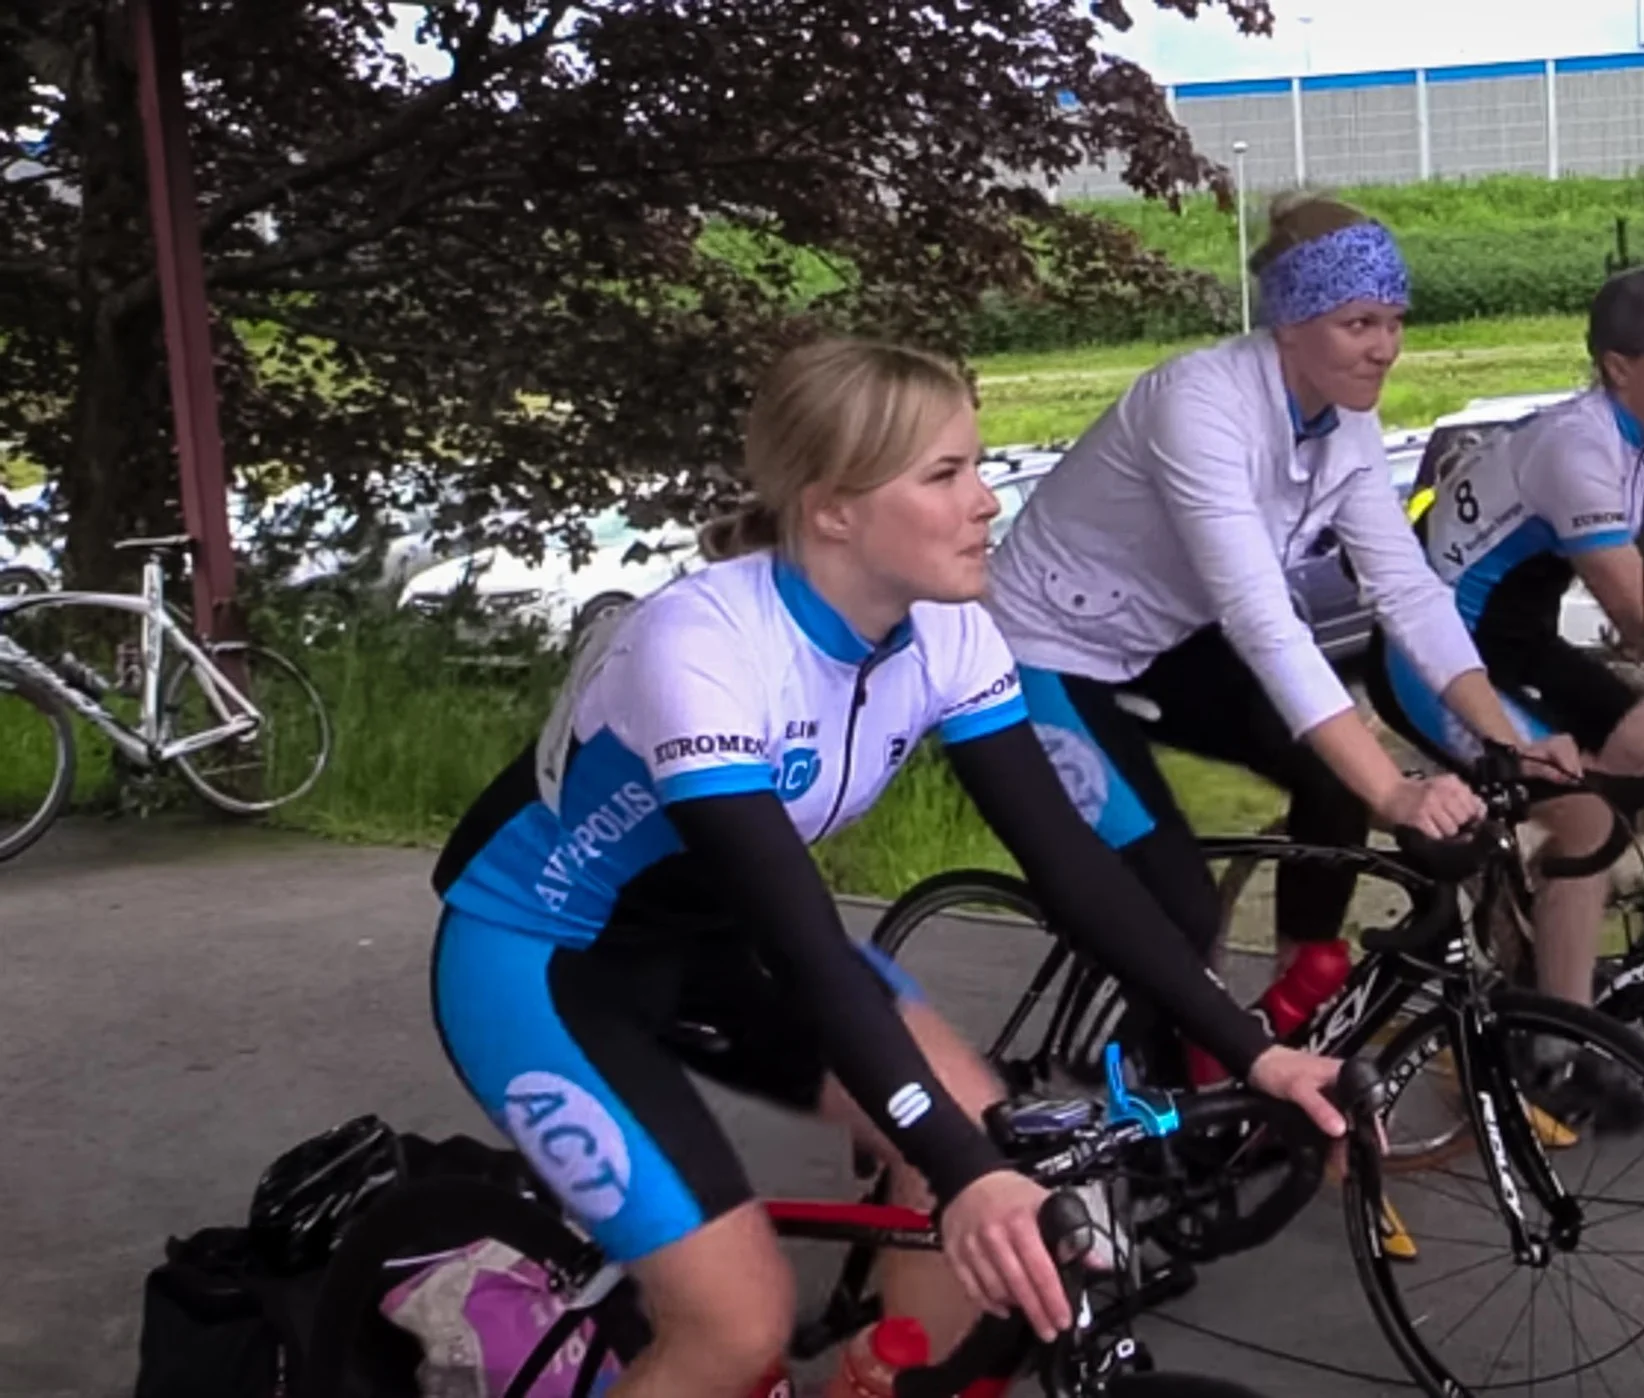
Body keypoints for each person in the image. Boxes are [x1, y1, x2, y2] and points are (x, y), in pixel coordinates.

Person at [425, 337, 1353, 1398]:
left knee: (992, 1156)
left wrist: (1253, 1052)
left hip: (723, 942)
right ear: (833, 510)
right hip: (544, 961)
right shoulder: (701, 647)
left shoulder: (950, 635)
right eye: (945, 474)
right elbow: (808, 948)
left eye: (978, 465)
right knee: (738, 1325)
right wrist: (962, 1172)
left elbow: (1076, 870)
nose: (987, 501)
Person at [980, 191, 1579, 1077]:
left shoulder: (1344, 421)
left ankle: (1299, 1005)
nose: (1385, 346)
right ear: (1291, 325)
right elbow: (1264, 623)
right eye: (1358, 323)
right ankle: (1149, 1098)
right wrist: (1397, 794)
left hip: (1162, 637)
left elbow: (1407, 590)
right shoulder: (1200, 404)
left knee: (1332, 779)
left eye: (1395, 320)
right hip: (1048, 646)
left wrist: (1503, 739)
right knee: (1179, 910)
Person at [1364, 265, 1644, 1128]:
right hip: (1433, 655)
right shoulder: (1579, 449)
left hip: (1516, 642)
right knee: (1587, 823)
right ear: (1617, 368)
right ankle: (1551, 1050)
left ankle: (1538, 924)